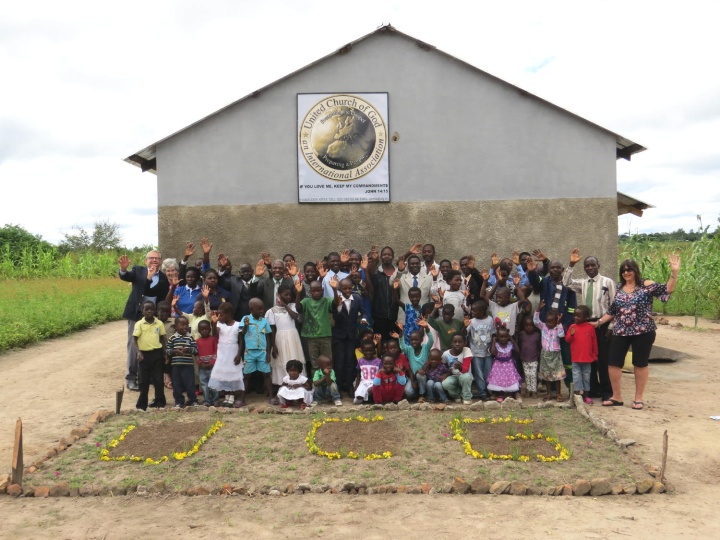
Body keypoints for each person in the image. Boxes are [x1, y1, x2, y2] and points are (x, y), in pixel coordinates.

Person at [592, 255, 680, 410]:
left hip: (643, 331)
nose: (626, 272)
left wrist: (674, 273)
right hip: (621, 331)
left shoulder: (646, 285)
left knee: (639, 363)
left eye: (629, 269)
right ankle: (616, 397)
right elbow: (612, 311)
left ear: (635, 270)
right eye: (623, 270)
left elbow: (667, 290)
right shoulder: (619, 288)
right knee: (613, 363)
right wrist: (598, 322)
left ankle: (638, 398)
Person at [563, 248, 616, 401]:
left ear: (598, 265)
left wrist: (611, 327)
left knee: (603, 359)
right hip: (587, 325)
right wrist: (571, 264)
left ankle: (607, 392)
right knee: (589, 359)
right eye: (587, 266)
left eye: (592, 265)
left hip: (603, 323)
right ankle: (593, 389)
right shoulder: (583, 283)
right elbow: (566, 283)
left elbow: (615, 307)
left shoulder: (607, 282)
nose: (590, 268)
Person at [119, 250, 170, 391]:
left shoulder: (163, 278)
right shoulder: (138, 271)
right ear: (145, 260)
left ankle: (148, 377)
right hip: (136, 314)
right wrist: (123, 270)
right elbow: (126, 277)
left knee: (152, 345)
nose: (154, 260)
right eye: (151, 258)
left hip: (153, 317)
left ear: (160, 261)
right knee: (134, 345)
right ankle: (131, 377)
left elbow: (162, 299)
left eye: (157, 258)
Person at [267, 284, 305, 402]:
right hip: (280, 339)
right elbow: (272, 331)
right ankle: (283, 387)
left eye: (290, 295)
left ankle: (297, 388)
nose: (288, 297)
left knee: (294, 359)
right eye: (285, 295)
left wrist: (286, 306)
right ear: (279, 295)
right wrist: (274, 346)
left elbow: (295, 317)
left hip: (292, 338)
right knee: (281, 362)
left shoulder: (293, 306)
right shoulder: (271, 311)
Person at [332, 278, 369, 398]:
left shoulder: (357, 298)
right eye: (345, 288)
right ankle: (338, 386)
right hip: (339, 336)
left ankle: (349, 386)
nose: (348, 290)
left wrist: (363, 319)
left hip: (352, 335)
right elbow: (336, 318)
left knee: (350, 361)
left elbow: (364, 312)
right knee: (339, 361)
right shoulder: (336, 299)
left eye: (350, 288)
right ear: (340, 289)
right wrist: (339, 306)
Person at [208, 302, 246, 408]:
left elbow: (240, 341)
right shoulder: (219, 324)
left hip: (233, 352)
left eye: (222, 315)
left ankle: (232, 397)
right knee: (224, 375)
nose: (219, 317)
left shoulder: (238, 324)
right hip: (222, 353)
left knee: (232, 375)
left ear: (229, 314)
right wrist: (214, 323)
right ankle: (226, 397)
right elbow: (214, 334)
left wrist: (239, 355)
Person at [132, 300, 167, 410]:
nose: (149, 311)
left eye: (152, 309)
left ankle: (159, 402)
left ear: (155, 311)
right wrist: (138, 352)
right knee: (144, 381)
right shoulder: (139, 324)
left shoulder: (159, 323)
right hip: (144, 356)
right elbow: (134, 339)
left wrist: (165, 353)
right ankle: (142, 405)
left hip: (157, 354)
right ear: (142, 311)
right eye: (146, 309)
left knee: (158, 380)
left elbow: (162, 339)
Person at [240, 298, 274, 403]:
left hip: (262, 352)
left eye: (262, 308)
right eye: (259, 309)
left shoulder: (264, 321)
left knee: (266, 374)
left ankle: (271, 397)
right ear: (251, 309)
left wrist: (268, 352)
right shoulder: (246, 319)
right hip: (249, 352)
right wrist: (245, 325)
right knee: (246, 376)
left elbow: (268, 336)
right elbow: (242, 333)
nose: (261, 311)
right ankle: (242, 399)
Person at [391, 321, 433, 401]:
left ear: (421, 340)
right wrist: (401, 332)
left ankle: (422, 395)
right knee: (408, 392)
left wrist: (427, 328)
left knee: (420, 376)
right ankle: (417, 393)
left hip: (423, 376)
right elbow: (402, 346)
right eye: (412, 340)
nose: (414, 342)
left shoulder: (425, 347)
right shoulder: (409, 349)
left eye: (416, 340)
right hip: (412, 377)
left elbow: (431, 340)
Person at [565, 305, 598, 404]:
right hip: (575, 358)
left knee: (586, 377)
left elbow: (594, 342)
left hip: (587, 359)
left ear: (586, 317)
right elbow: (567, 340)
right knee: (576, 377)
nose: (575, 318)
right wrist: (571, 334)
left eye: (578, 316)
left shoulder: (590, 328)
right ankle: (576, 395)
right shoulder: (572, 327)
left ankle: (586, 396)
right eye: (575, 315)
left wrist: (595, 354)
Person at [534, 302, 566, 401]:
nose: (549, 324)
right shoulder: (543, 327)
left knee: (557, 376)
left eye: (552, 322)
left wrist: (559, 324)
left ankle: (558, 394)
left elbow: (561, 335)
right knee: (547, 376)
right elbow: (535, 321)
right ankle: (548, 394)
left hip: (555, 355)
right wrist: (537, 310)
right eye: (547, 321)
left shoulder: (558, 328)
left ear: (556, 321)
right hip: (545, 355)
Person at [165, 315, 199, 408]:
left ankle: (192, 400)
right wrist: (175, 351)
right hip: (176, 366)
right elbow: (168, 350)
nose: (185, 327)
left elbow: (195, 350)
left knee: (190, 384)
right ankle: (179, 401)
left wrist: (188, 350)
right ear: (176, 327)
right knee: (177, 384)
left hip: (188, 365)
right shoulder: (172, 338)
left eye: (186, 325)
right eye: (182, 325)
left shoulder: (190, 338)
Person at [367, 246, 400, 341]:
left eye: (389, 254)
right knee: (379, 343)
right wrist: (374, 259)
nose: (387, 256)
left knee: (393, 344)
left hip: (395, 316)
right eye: (384, 254)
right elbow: (371, 271)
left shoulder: (398, 273)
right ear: (381, 257)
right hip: (379, 316)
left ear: (393, 257)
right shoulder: (377, 272)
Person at [466, 299, 495, 401]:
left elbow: (493, 334)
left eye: (474, 311)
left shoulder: (490, 320)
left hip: (487, 352)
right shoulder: (472, 321)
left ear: (482, 311)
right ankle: (482, 392)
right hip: (476, 352)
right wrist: (464, 325)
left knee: (488, 372)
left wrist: (492, 346)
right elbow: (465, 333)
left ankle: (488, 390)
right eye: (472, 310)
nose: (472, 312)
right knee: (479, 374)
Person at [487, 327, 522, 402]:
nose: (503, 339)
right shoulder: (496, 345)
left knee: (510, 379)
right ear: (497, 337)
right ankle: (500, 394)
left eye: (505, 337)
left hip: (509, 366)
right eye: (501, 337)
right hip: (498, 366)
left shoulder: (510, 344)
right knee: (499, 379)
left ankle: (513, 393)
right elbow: (493, 353)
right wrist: (493, 341)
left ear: (508, 336)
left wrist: (512, 340)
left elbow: (517, 351)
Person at [397, 254, 432, 323]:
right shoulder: (402, 277)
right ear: (408, 265)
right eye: (412, 264)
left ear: (420, 265)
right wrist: (399, 270)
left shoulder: (428, 279)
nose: (415, 265)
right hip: (405, 316)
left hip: (423, 317)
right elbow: (391, 282)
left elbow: (431, 298)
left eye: (417, 263)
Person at [441, 334, 473, 404]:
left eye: (460, 342)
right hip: (454, 376)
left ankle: (467, 397)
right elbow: (443, 367)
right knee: (445, 384)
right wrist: (446, 374)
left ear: (464, 343)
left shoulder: (466, 350)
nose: (457, 344)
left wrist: (460, 367)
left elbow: (466, 369)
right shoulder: (446, 354)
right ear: (451, 343)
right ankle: (457, 395)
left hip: (465, 375)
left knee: (466, 377)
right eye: (455, 342)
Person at [196, 320, 219, 406]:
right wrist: (200, 362)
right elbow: (196, 354)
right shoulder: (197, 341)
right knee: (204, 385)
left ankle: (215, 400)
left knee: (214, 384)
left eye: (206, 329)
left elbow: (216, 351)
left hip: (213, 366)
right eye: (202, 329)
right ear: (199, 331)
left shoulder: (213, 339)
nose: (204, 331)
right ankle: (207, 400)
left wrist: (212, 362)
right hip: (202, 367)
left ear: (210, 329)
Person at [517, 316, 541, 398]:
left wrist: (538, 356)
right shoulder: (522, 334)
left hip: (534, 358)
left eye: (531, 325)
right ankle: (528, 390)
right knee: (527, 375)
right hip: (524, 358)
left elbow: (539, 347)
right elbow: (519, 345)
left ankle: (534, 391)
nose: (528, 327)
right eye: (526, 325)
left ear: (534, 326)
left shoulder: (537, 335)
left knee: (533, 375)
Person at [354, 340, 382, 404]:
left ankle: (370, 398)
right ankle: (365, 398)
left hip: (374, 383)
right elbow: (358, 374)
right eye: (366, 351)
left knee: (371, 391)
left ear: (374, 350)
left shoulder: (378, 361)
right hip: (363, 383)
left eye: (370, 350)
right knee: (358, 397)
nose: (368, 352)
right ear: (362, 351)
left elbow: (381, 374)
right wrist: (356, 385)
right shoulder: (360, 361)